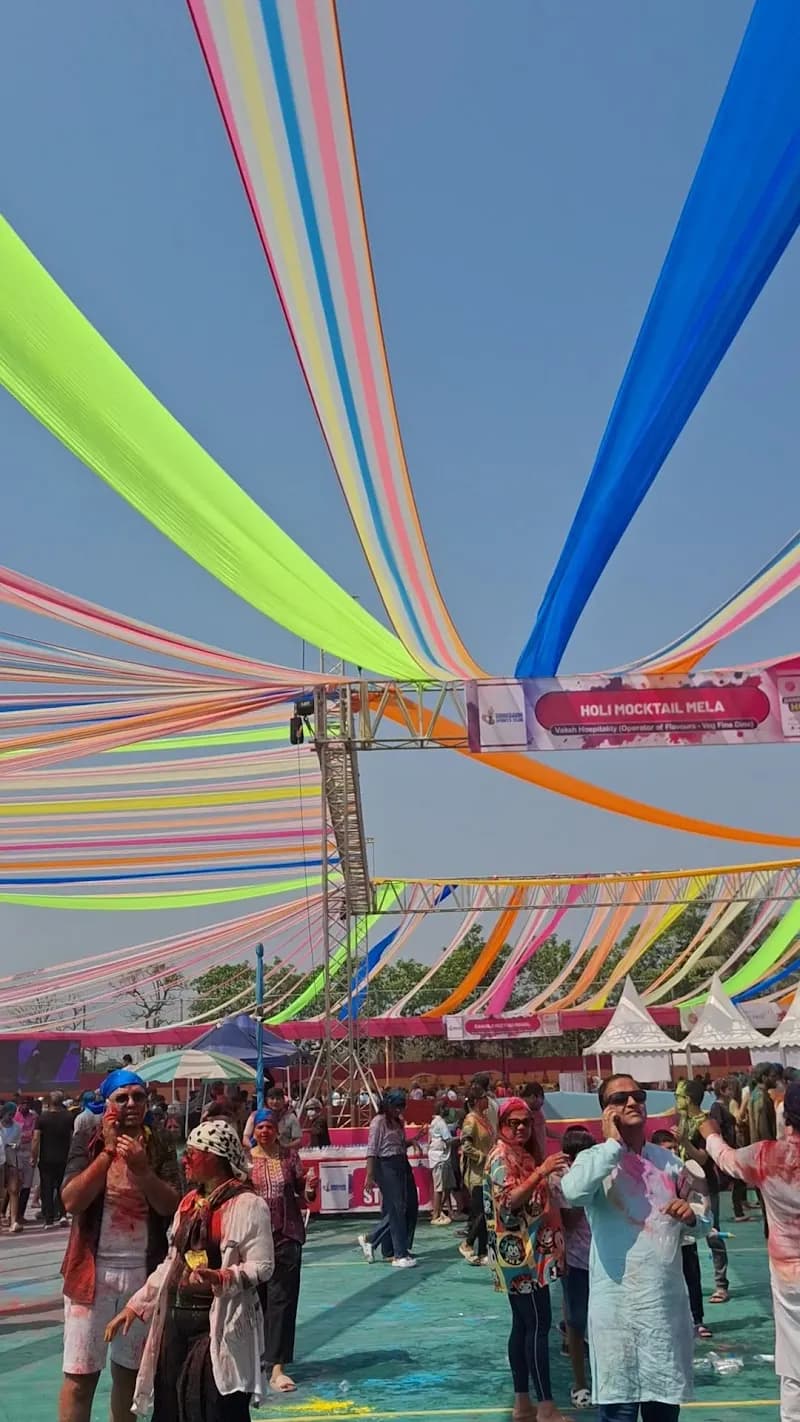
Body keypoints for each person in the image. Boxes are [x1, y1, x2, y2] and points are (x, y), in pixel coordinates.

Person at [560, 1074, 712, 1422]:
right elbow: (573, 1192)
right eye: (619, 1098)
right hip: (616, 1313)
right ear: (605, 1112)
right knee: (619, 1412)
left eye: (637, 1095)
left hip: (662, 1311)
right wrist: (613, 1145)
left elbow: (704, 1221)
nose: (631, 1102)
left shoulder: (668, 1162)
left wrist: (692, 1217)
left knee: (663, 1409)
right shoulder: (595, 1159)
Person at [105, 1119, 274, 1420]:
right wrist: (136, 1305)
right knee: (173, 1404)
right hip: (176, 1324)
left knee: (214, 1405)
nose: (185, 1158)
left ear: (215, 1156)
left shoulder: (248, 1205)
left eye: (193, 1152)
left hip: (218, 1324)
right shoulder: (188, 1203)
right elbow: (172, 1263)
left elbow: (263, 1266)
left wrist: (224, 1277)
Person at [58, 1068, 182, 1422]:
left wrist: (143, 1171)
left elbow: (171, 1207)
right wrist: (108, 1154)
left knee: (129, 1378)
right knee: (80, 1377)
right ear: (106, 1102)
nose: (131, 1104)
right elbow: (71, 1201)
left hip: (142, 1277)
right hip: (90, 1276)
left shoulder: (157, 1143)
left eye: (138, 1097)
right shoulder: (89, 1138)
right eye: (121, 1098)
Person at [698, 1080, 800, 1422]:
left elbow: (726, 1159)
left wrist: (708, 1131)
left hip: (789, 1277)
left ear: (787, 1118)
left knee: (793, 1366)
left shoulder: (767, 1155)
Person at [483, 1096, 568, 1422]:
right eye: (512, 1122)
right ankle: (546, 1405)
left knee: (522, 1326)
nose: (520, 1127)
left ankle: (522, 1402)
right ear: (501, 1125)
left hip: (525, 1252)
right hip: (521, 1256)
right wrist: (541, 1173)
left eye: (525, 1122)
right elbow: (510, 1202)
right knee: (538, 1325)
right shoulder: (502, 1157)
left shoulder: (520, 1153)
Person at [250, 1107, 317, 1393]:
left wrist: (311, 1188)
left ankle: (277, 1367)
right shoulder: (243, 1162)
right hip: (252, 1241)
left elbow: (304, 1192)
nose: (265, 1131)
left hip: (287, 1236)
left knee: (283, 1302)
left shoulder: (290, 1158)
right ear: (253, 1131)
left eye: (269, 1126)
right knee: (254, 1303)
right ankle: (254, 1362)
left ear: (277, 1130)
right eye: (260, 1127)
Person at [651, 1130, 712, 1341]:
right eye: (668, 1148)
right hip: (663, 1242)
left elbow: (702, 1204)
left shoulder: (682, 1170)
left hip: (687, 1238)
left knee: (693, 1279)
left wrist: (695, 1212)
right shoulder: (652, 1173)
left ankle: (698, 1320)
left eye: (675, 1148)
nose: (673, 1152)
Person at [676, 1078, 729, 1304]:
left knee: (712, 1232)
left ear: (687, 1099)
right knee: (682, 1236)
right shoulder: (683, 1119)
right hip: (685, 1185)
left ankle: (721, 1284)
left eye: (678, 1096)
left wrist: (684, 1142)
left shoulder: (705, 1123)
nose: (675, 1099)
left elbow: (703, 1157)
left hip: (706, 1186)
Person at [553, 1126, 595, 1409]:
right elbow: (567, 1222)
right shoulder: (560, 1181)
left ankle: (606, 1378)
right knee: (577, 1325)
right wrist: (583, 1194)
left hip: (604, 1260)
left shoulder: (599, 1175)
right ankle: (580, 1383)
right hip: (576, 1261)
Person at [358, 1088, 418, 1269]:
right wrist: (369, 1175)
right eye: (396, 1107)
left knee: (409, 1206)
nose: (399, 1110)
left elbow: (396, 1144)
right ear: (387, 1105)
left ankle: (375, 1240)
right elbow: (373, 1149)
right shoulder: (379, 1122)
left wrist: (412, 1141)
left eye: (402, 1107)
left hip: (401, 1162)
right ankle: (400, 1253)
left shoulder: (398, 1122)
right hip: (385, 1166)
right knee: (397, 1208)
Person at [459, 1085, 495, 1265]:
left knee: (487, 1212)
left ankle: (483, 1252)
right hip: (476, 1173)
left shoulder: (485, 1119)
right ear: (477, 1101)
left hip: (487, 1172)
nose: (488, 1100)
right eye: (484, 1097)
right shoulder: (471, 1120)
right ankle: (468, 1242)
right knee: (482, 1212)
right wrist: (482, 1157)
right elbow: (465, 1146)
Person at [33, 1090, 74, 1228]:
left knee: (47, 1188)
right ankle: (63, 1215)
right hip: (64, 1157)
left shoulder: (42, 1118)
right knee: (63, 1187)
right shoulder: (68, 1117)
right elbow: (71, 1137)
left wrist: (33, 1157)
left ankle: (49, 1219)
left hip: (46, 1158)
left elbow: (36, 1139)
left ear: (50, 1101)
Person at [244, 1086, 301, 1152]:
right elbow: (246, 1137)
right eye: (272, 1098)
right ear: (266, 1100)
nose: (275, 1101)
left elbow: (298, 1141)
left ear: (283, 1101)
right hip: (259, 1156)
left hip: (283, 1156)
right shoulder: (256, 1115)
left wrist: (285, 1147)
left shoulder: (290, 1117)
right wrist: (254, 1150)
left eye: (278, 1099)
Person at [428, 1099, 457, 1225]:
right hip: (439, 1158)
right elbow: (448, 1140)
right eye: (445, 1107)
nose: (447, 1110)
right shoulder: (440, 1123)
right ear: (441, 1109)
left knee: (449, 1185)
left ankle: (441, 1210)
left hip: (444, 1158)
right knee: (438, 1188)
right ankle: (435, 1215)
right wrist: (462, 1138)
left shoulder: (435, 1122)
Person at [13, 1096, 38, 1227]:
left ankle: (20, 1214)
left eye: (27, 1103)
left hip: (28, 1152)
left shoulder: (33, 1116)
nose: (25, 1106)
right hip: (14, 1153)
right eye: (23, 1103)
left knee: (27, 1185)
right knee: (13, 1186)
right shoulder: (13, 1115)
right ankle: (12, 1215)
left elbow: (34, 1135)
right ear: (18, 1104)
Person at [0, 1100, 22, 1233]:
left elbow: (18, 1142)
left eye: (13, 1114)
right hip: (1, 1160)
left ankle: (14, 1220)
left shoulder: (17, 1127)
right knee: (1, 1193)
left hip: (12, 1160)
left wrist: (15, 1145)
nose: (11, 1117)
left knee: (14, 1190)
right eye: (9, 1114)